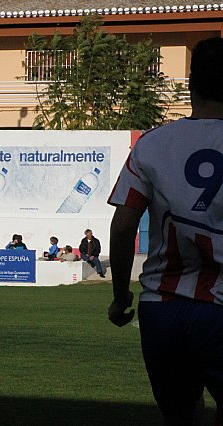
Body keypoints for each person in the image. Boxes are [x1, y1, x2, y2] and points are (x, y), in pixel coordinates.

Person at [107, 37, 223, 426]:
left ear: (190, 86)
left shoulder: (152, 144)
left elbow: (123, 228)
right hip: (220, 310)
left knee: (179, 418)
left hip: (162, 312)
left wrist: (121, 295)